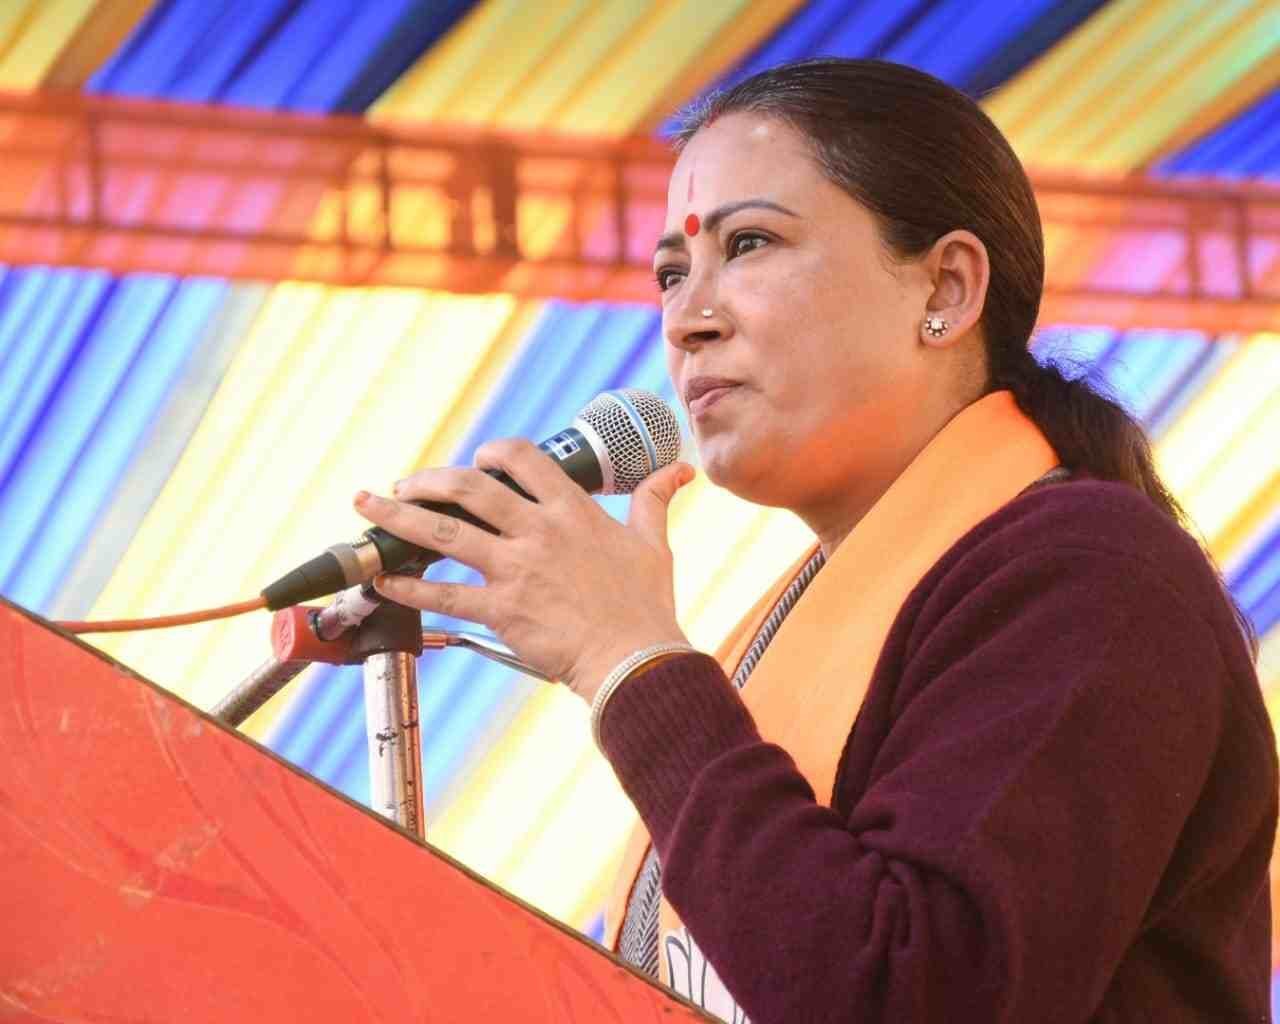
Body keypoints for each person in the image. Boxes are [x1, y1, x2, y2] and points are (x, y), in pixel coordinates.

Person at [354, 58, 1276, 1023]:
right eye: (671, 273)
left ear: (948, 287)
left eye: (749, 244)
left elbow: (911, 998)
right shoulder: (795, 615)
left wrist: (628, 659)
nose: (687, 319)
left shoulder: (1092, 577)